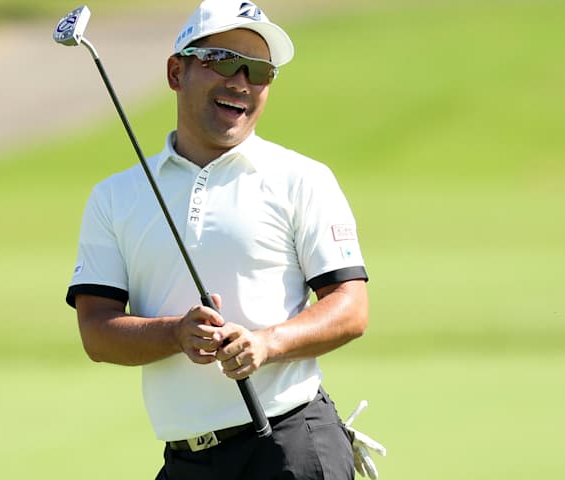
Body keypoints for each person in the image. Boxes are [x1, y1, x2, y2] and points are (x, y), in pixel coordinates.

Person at [66, 1, 379, 478]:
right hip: (186, 461)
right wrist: (174, 333)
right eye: (223, 61)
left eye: (259, 71)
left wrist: (266, 343)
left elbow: (351, 308)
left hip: (291, 446)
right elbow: (96, 332)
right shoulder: (115, 196)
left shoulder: (303, 179)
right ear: (177, 72)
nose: (241, 82)